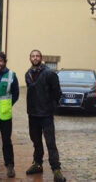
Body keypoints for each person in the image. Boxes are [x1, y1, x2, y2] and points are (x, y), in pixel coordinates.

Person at [25, 49, 66, 182]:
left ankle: (56, 169)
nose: (35, 58)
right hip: (33, 115)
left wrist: (51, 107)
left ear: (41, 58)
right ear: (30, 58)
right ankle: (37, 164)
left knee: (50, 143)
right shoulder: (28, 74)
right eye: (33, 56)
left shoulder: (49, 74)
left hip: (46, 115)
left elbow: (57, 92)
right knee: (36, 142)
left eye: (37, 56)